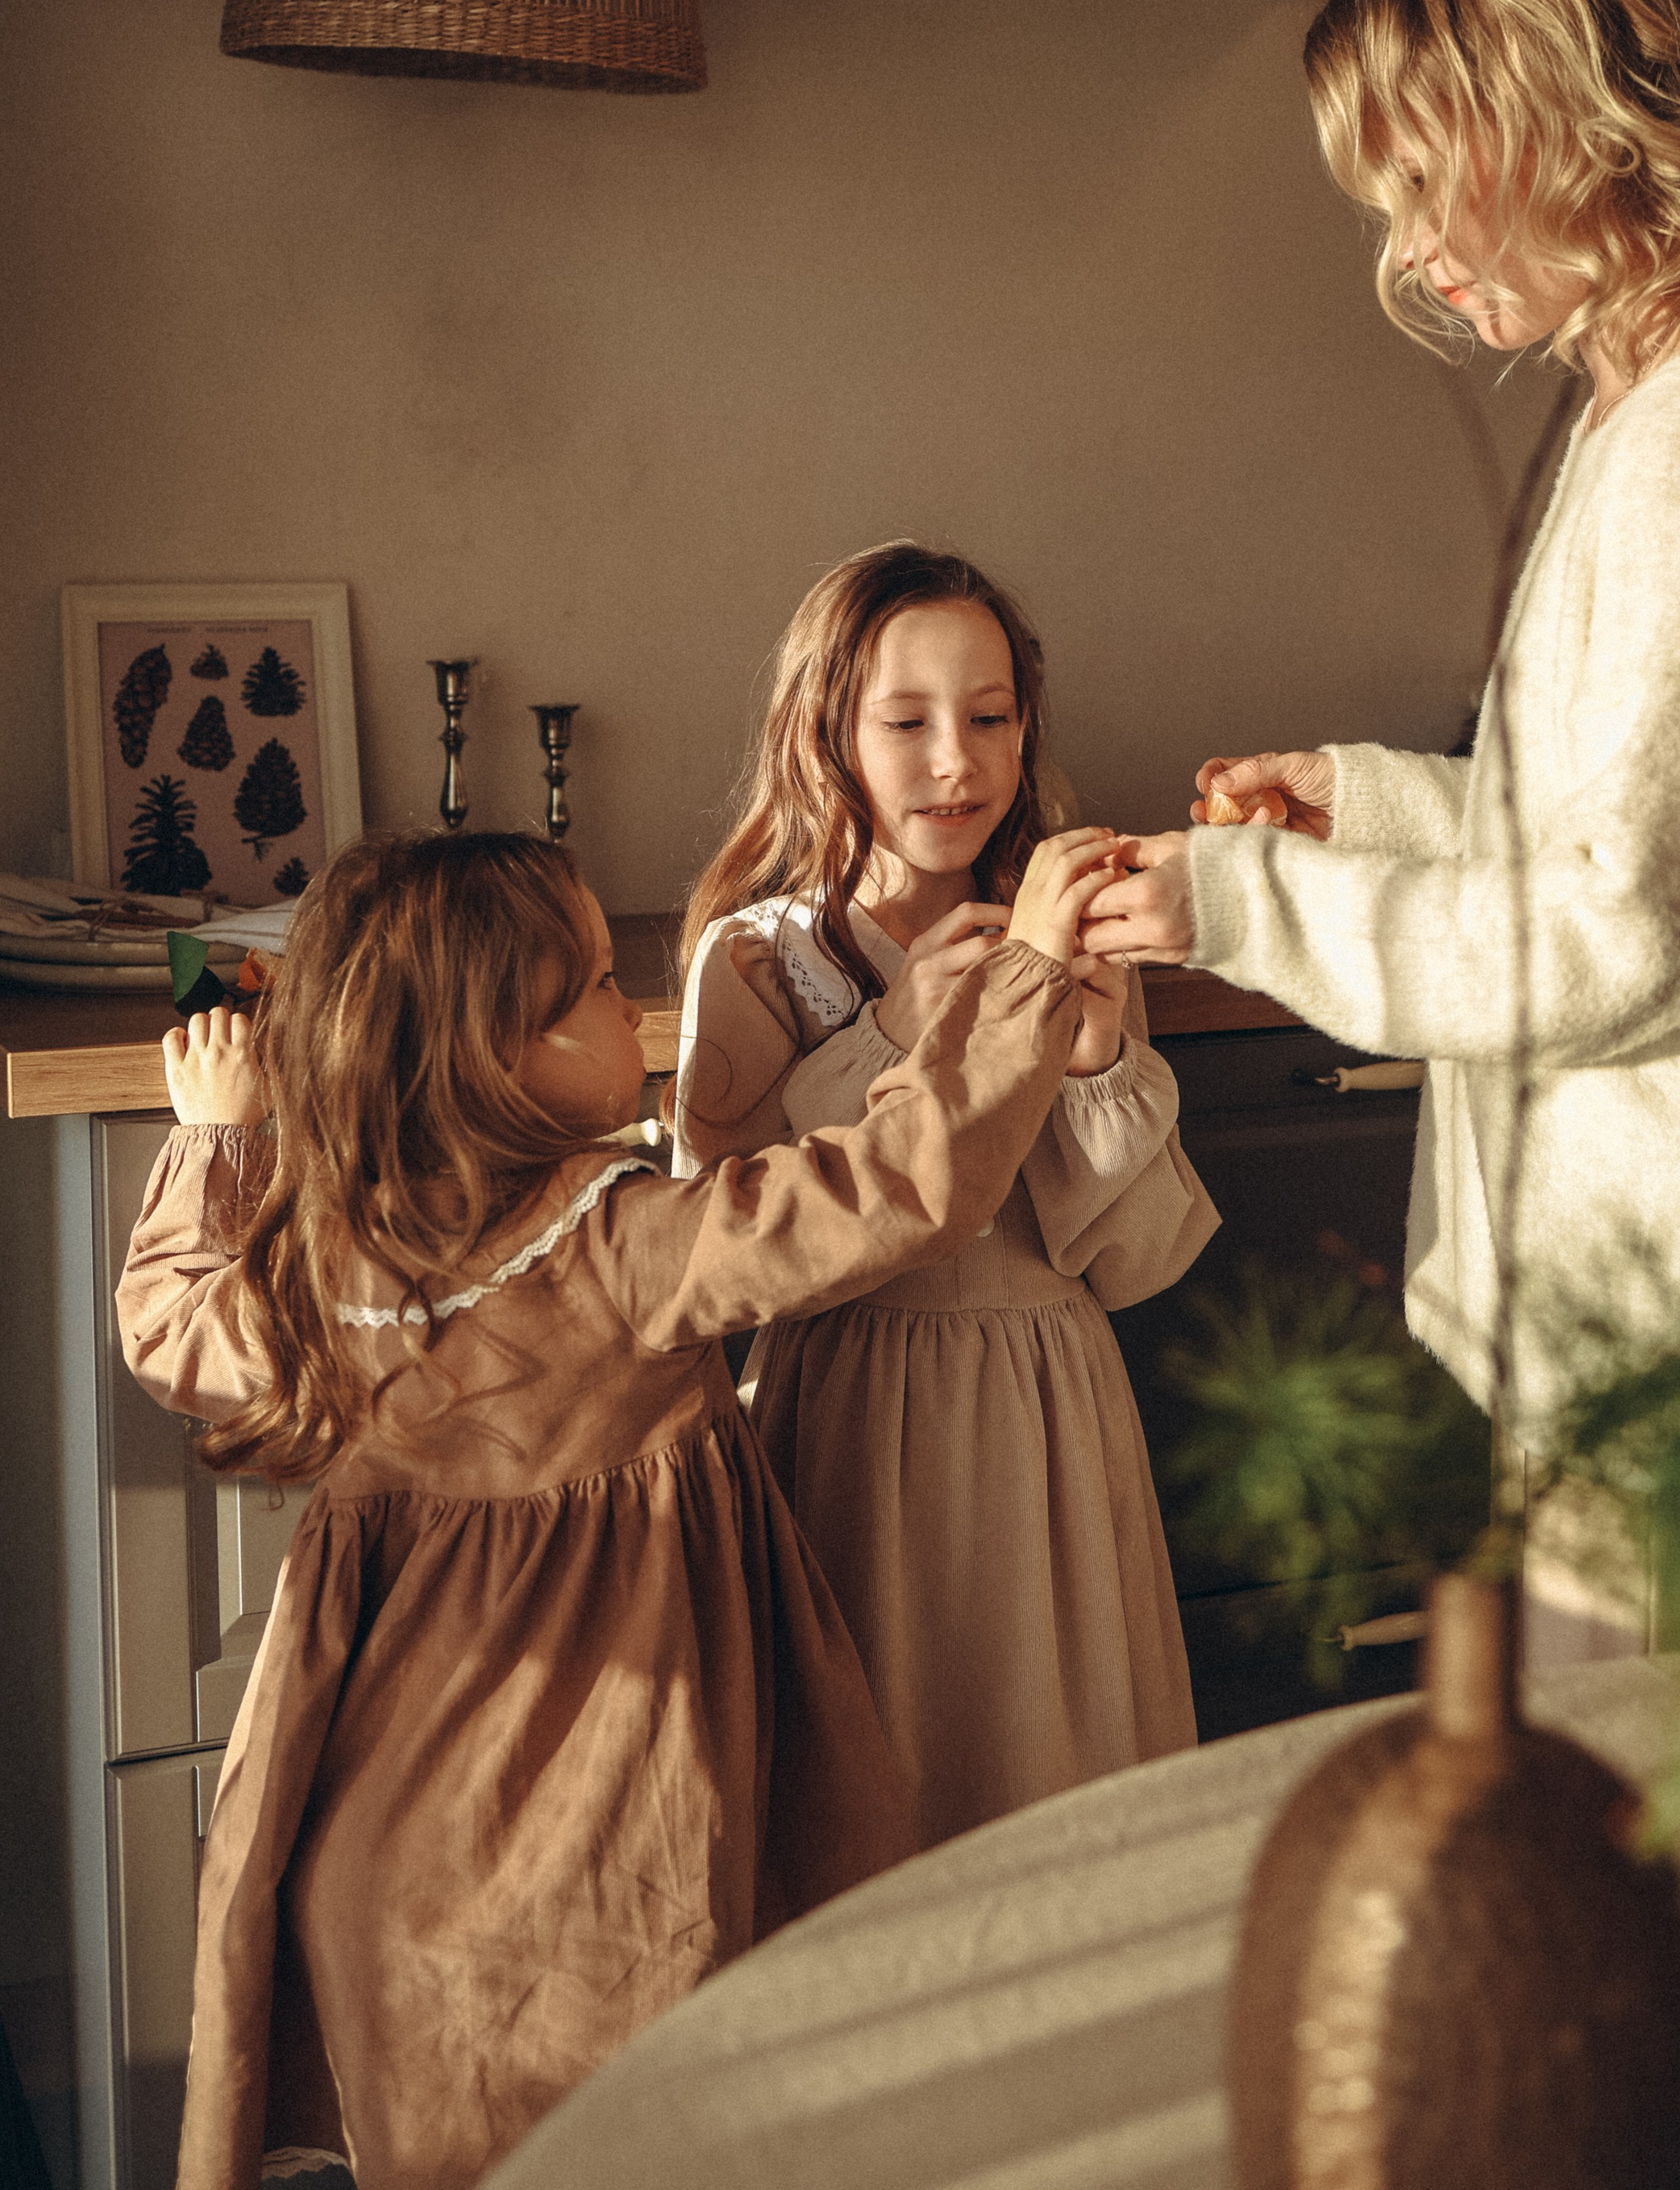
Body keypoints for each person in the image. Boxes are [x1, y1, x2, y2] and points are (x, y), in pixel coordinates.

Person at [1080, 0, 1680, 1622]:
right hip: (1664, 1340)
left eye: (1417, 186)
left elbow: (1629, 922)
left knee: (1651, 1799)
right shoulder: (1647, 417)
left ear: (1543, 122)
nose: (1409, 255)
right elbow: (1624, 827)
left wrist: (1240, 904)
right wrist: (1371, 807)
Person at [121, 824, 1111, 2190]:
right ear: (492, 1056)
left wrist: (217, 1139)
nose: (632, 1007)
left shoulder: (320, 1275)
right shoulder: (623, 1246)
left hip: (387, 1852)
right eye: (590, 987)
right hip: (618, 1830)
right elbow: (897, 1182)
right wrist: (1030, 975)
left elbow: (166, 1324)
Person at [675, 541, 1216, 1846]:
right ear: (826, 733)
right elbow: (716, 1259)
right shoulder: (755, 961)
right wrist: (889, 1037)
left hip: (1051, 1424)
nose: (956, 764)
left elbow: (1137, 1263)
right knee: (875, 1807)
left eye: (989, 718)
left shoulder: (1077, 932)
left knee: (1059, 1795)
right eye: (906, 721)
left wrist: (1094, 1058)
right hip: (849, 1427)